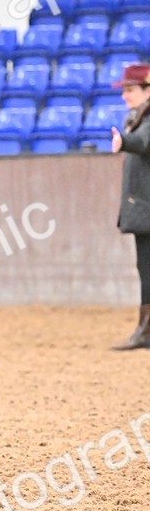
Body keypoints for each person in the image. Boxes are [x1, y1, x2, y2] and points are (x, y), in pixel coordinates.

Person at [111, 62, 150, 350]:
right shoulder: (138, 117)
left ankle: (145, 331)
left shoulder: (144, 121)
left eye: (131, 89)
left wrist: (124, 140)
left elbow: (142, 143)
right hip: (144, 206)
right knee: (145, 267)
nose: (125, 95)